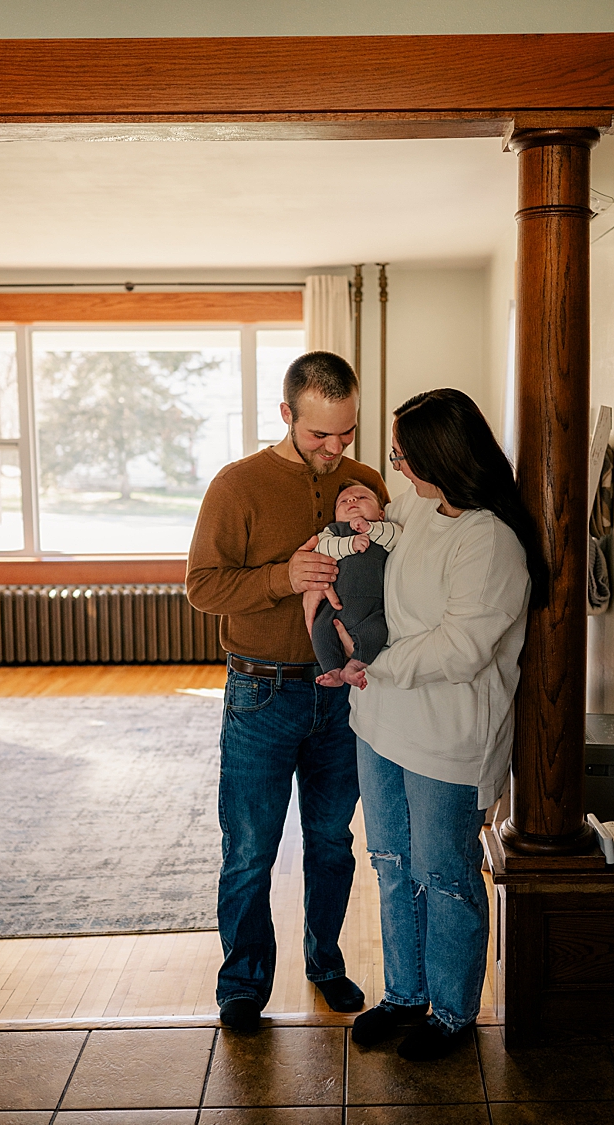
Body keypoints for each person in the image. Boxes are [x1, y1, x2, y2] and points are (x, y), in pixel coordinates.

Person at [186, 350, 387, 1032]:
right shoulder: (236, 485)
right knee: (249, 848)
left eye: (346, 434)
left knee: (332, 842)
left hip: (345, 701)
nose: (335, 451)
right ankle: (242, 984)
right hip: (261, 695)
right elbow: (202, 587)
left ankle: (325, 962)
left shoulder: (364, 483)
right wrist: (282, 577)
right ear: (286, 415)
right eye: (318, 435)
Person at [346, 388, 542, 1061]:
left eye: (403, 455)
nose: (395, 466)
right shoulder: (419, 506)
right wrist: (356, 523)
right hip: (381, 723)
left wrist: (371, 660)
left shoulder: (490, 540)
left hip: (446, 739)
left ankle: (453, 1011)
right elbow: (382, 540)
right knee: (393, 864)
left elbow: (462, 647)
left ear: (441, 457)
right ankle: (405, 994)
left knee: (445, 873)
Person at [303, 482, 401, 689]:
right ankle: (332, 669)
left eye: (362, 498)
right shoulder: (334, 531)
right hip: (335, 604)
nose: (352, 501)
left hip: (371, 608)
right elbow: (322, 547)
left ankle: (354, 665)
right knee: (320, 630)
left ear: (381, 513)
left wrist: (369, 528)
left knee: (377, 632)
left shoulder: (383, 530)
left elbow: (397, 537)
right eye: (344, 501)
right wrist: (350, 543)